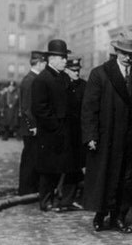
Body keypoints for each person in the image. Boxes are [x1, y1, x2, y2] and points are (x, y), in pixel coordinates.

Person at [81, 30, 132, 234]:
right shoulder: (100, 74)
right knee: (106, 176)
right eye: (123, 53)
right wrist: (90, 135)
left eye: (131, 53)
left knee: (128, 178)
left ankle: (120, 217)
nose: (128, 57)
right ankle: (100, 215)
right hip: (109, 136)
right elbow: (89, 107)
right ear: (116, 51)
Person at [32, 40, 81, 212]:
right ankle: (46, 202)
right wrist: (56, 127)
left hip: (66, 131)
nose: (64, 61)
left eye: (65, 57)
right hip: (51, 133)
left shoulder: (64, 77)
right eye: (61, 58)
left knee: (68, 167)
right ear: (51, 59)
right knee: (49, 169)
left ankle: (65, 201)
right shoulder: (42, 79)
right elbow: (40, 109)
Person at [17, 51, 47, 195]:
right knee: (29, 159)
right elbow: (27, 107)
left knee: (31, 158)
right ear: (39, 63)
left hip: (30, 127)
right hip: (31, 128)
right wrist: (33, 126)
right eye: (44, 63)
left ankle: (28, 189)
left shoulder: (32, 78)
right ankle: (26, 190)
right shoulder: (31, 80)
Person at [65, 57, 87, 202]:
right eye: (73, 71)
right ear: (67, 70)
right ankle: (64, 196)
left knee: (80, 164)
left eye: (78, 70)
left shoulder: (84, 86)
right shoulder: (61, 85)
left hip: (80, 131)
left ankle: (77, 196)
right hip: (66, 131)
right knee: (67, 166)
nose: (76, 73)